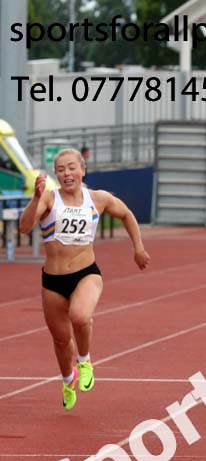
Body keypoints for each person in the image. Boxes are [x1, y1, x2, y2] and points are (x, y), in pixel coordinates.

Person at [18, 148, 150, 411]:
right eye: (61, 169)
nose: (67, 173)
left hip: (86, 273)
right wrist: (34, 199)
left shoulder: (97, 198)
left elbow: (126, 214)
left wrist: (138, 248)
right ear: (56, 174)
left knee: (80, 317)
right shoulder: (48, 199)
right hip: (53, 281)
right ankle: (68, 380)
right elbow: (24, 227)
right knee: (60, 339)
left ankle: (85, 360)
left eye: (71, 168)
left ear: (82, 170)